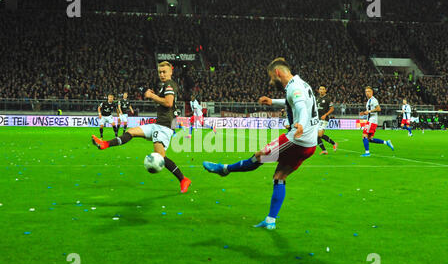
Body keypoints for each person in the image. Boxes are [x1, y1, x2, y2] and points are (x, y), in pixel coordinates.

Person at [203, 57, 319, 230]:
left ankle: (225, 169)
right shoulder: (300, 84)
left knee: (258, 156)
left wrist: (300, 123)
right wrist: (273, 102)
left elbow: (301, 106)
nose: (271, 82)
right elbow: (295, 100)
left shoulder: (294, 87)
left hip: (296, 139)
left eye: (271, 77)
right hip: (310, 145)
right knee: (279, 177)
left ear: (278, 73)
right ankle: (270, 220)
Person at [91, 61, 192, 193]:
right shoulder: (164, 86)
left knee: (160, 157)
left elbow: (168, 103)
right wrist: (153, 95)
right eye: (160, 72)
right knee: (131, 132)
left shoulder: (169, 84)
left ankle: (183, 179)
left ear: (171, 72)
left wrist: (151, 96)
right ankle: (105, 143)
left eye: (164, 72)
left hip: (164, 126)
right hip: (158, 124)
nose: (162, 74)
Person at [359, 86, 394, 157]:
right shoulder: (369, 101)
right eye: (366, 92)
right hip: (371, 120)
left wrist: (369, 111)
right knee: (370, 139)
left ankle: (367, 153)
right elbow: (370, 111)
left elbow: (378, 109)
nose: (367, 93)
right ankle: (386, 142)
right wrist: (365, 113)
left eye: (368, 91)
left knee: (364, 136)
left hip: (372, 121)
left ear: (372, 92)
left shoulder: (373, 100)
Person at [316, 86, 338, 155]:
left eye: (323, 89)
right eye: (320, 89)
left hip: (324, 119)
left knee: (318, 135)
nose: (321, 90)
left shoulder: (327, 99)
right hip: (317, 119)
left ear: (325, 90)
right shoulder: (317, 98)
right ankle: (333, 144)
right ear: (318, 90)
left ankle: (325, 149)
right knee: (319, 135)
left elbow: (332, 109)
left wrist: (325, 115)